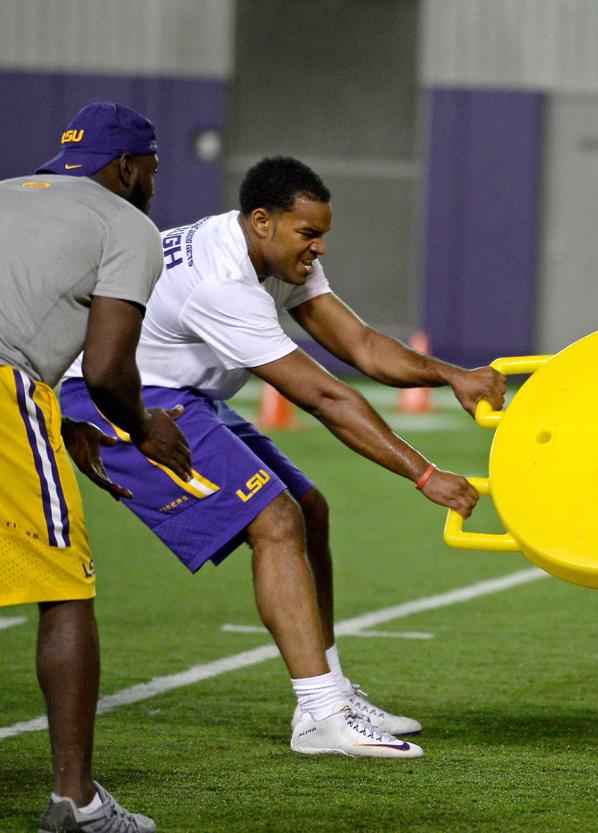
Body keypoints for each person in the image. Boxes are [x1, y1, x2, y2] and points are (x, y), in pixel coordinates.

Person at [58, 156, 506, 759]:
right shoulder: (222, 282)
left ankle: (334, 696)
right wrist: (423, 473)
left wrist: (451, 374)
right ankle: (321, 714)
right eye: (309, 234)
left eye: (322, 235)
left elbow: (362, 346)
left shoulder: (268, 250)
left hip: (178, 389)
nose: (318, 249)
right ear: (263, 221)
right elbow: (324, 395)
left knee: (308, 506)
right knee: (276, 520)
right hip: (113, 400)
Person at [1, 102, 191, 833]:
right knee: (64, 588)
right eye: (151, 169)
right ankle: (76, 803)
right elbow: (110, 368)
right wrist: (143, 430)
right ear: (130, 166)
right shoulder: (126, 223)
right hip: (4, 386)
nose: (151, 182)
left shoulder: (6, 191)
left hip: (23, 395)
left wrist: (58, 421)